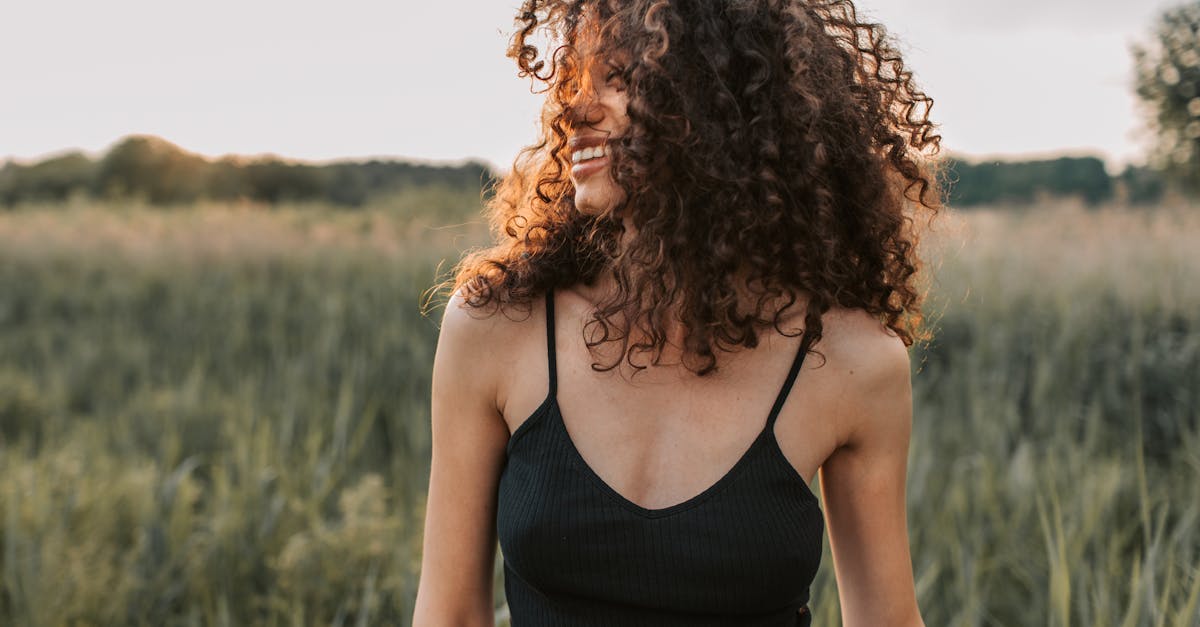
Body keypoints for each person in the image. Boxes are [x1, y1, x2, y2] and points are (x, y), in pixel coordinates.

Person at [414, 0, 942, 625]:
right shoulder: (497, 326)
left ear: (724, 104)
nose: (576, 109)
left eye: (621, 80)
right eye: (575, 81)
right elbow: (449, 615)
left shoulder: (851, 361)